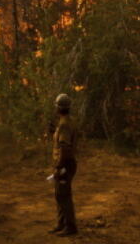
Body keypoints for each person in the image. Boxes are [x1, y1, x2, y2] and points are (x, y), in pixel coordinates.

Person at [49, 93, 78, 236]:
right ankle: (61, 224)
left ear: (58, 108)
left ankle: (70, 227)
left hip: (65, 164)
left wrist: (59, 167)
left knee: (63, 195)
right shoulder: (67, 122)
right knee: (60, 194)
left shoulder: (64, 125)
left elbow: (65, 149)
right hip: (66, 163)